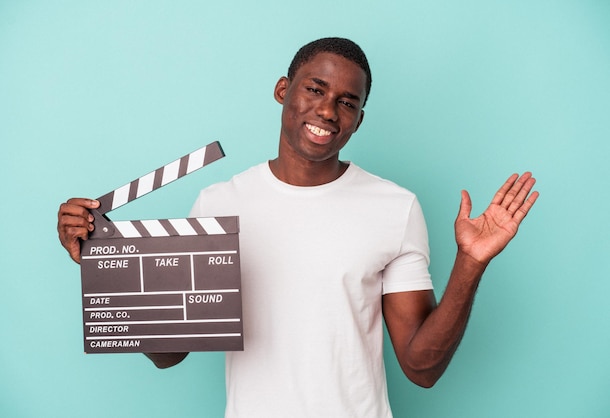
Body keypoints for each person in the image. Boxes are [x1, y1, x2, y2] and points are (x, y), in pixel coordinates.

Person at [58, 37, 539, 417]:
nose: (328, 111)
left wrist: (470, 263)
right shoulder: (220, 203)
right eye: (315, 89)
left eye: (348, 103)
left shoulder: (395, 207)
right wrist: (108, 260)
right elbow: (170, 354)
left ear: (359, 119)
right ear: (283, 90)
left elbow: (421, 367)